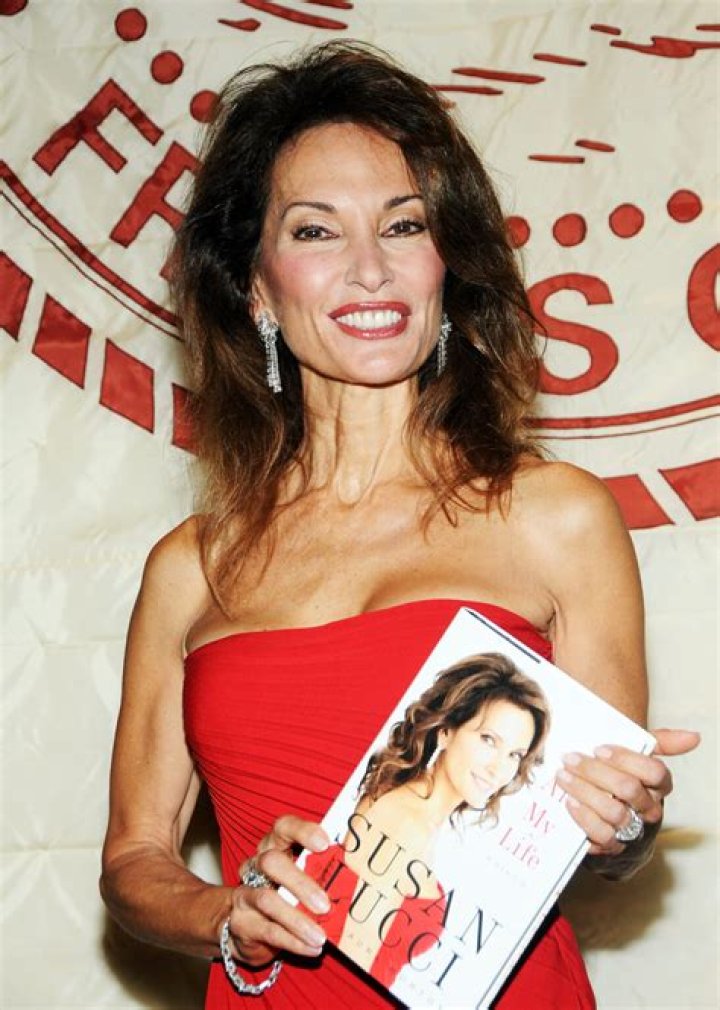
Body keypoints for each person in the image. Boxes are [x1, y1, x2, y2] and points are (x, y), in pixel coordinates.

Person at [99, 40, 699, 1010]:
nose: (370, 270)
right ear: (255, 285)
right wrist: (225, 912)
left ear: (446, 265)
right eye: (316, 231)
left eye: (404, 225)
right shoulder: (190, 567)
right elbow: (133, 859)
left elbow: (606, 846)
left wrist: (625, 821)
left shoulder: (557, 517)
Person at [305, 652, 551, 987]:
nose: (499, 769)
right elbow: (348, 976)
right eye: (488, 740)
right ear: (446, 730)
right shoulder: (408, 822)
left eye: (514, 755)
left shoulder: (415, 806)